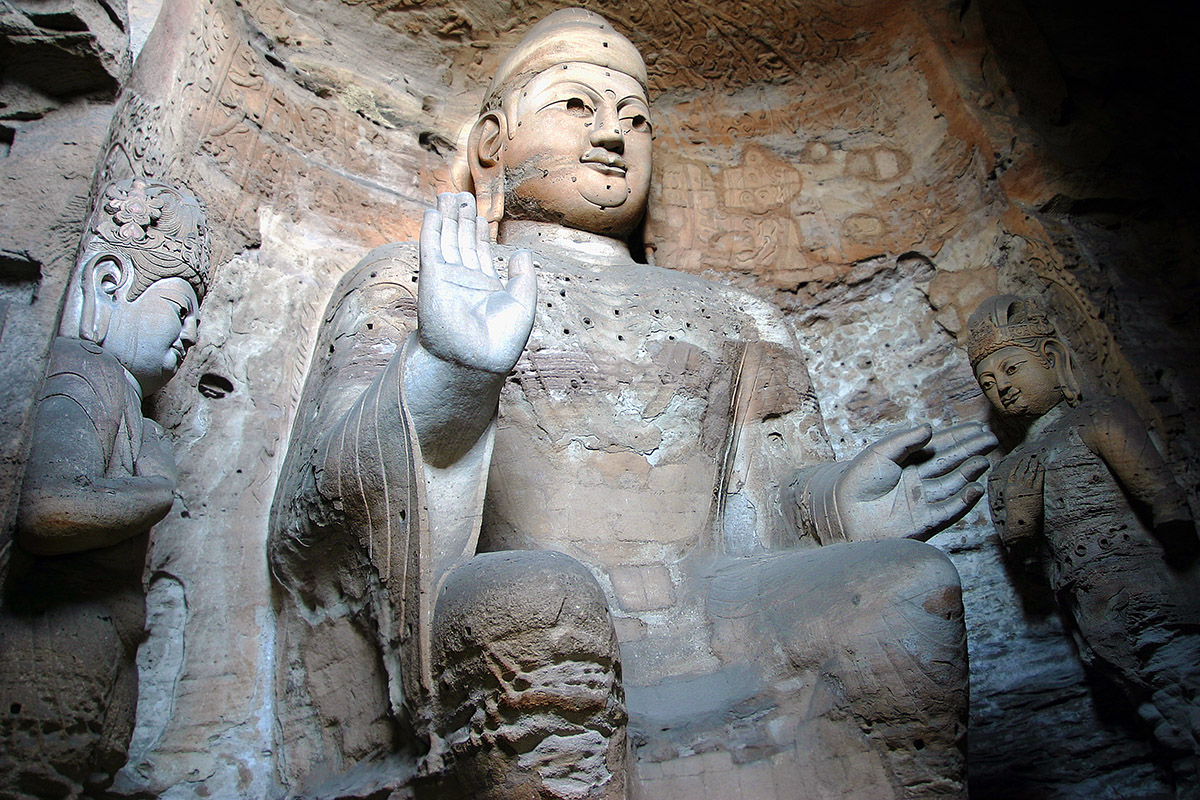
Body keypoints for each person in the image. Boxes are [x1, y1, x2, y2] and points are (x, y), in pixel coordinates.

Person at [269, 10, 995, 798]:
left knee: (907, 584)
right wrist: (445, 371)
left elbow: (760, 503)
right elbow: (314, 514)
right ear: (490, 142)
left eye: (636, 119)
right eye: (576, 106)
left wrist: (834, 511)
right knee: (541, 603)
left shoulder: (737, 315)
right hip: (524, 609)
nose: (613, 136)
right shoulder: (413, 280)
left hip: (714, 610)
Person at [0, 178, 208, 799]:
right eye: (179, 307)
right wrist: (155, 488)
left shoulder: (121, 398)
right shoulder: (81, 374)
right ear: (108, 287)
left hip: (100, 649)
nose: (193, 332)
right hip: (45, 648)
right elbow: (47, 509)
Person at [970, 293, 1200, 796]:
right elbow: (1027, 563)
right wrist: (1022, 528)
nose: (1003, 388)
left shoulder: (1096, 420)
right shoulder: (1008, 472)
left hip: (1150, 588)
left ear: (1052, 360)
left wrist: (1177, 537)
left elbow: (1158, 492)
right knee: (1163, 720)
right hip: (1090, 610)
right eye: (989, 383)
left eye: (1013, 368)